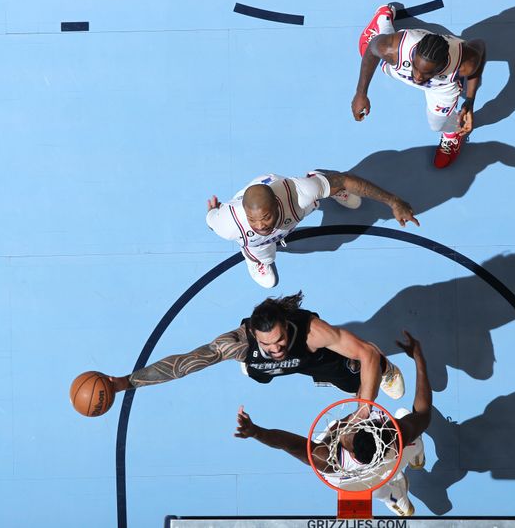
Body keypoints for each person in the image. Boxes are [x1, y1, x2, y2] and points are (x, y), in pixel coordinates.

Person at [235, 331, 431, 516]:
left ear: (350, 451)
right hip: (384, 465)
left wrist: (255, 432)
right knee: (405, 417)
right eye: (357, 427)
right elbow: (423, 413)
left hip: (354, 481)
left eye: (351, 432)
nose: (353, 426)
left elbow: (289, 444)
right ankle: (416, 457)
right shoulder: (392, 436)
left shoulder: (325, 458)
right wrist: (419, 357)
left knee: (370, 486)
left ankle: (393, 497)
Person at [108, 291, 405, 407]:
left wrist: (365, 406)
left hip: (314, 360)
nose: (276, 348)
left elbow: (366, 352)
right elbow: (183, 364)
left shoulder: (314, 332)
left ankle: (387, 370)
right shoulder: (237, 344)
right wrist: (128, 382)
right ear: (252, 334)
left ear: (286, 326)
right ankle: (256, 365)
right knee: (258, 371)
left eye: (280, 340)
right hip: (263, 367)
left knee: (359, 375)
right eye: (267, 343)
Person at [206, 169, 419, 288]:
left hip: (288, 195)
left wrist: (393, 201)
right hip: (256, 240)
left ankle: (319, 178)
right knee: (265, 261)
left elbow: (345, 180)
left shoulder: (299, 194)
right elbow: (210, 220)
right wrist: (214, 212)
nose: (261, 225)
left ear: (276, 205)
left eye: (266, 217)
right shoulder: (228, 224)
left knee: (323, 195)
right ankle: (258, 262)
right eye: (254, 220)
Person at [352, 4, 486, 168]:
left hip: (440, 87)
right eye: (416, 68)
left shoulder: (464, 62)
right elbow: (372, 52)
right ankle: (383, 19)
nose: (417, 77)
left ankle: (451, 135)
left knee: (437, 124)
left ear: (443, 65)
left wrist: (469, 101)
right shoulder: (394, 49)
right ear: (414, 56)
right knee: (366, 47)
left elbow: (479, 46)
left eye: (427, 73)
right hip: (400, 66)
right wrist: (361, 93)